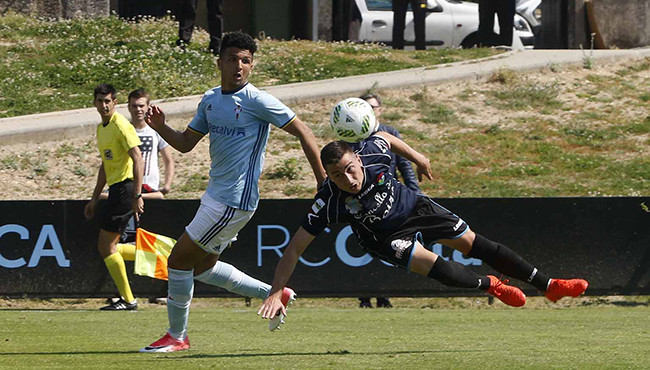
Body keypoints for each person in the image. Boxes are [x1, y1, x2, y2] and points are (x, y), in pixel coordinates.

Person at [258, 134, 589, 324]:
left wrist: (418, 157)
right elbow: (295, 248)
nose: (349, 180)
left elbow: (386, 137)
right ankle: (489, 285)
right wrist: (275, 290)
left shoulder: (372, 152)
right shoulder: (328, 201)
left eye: (349, 169)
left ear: (357, 159)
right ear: (328, 177)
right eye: (337, 176)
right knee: (442, 270)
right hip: (384, 238)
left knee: (477, 245)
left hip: (416, 207)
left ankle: (549, 286)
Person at [140, 31, 326, 353]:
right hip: (215, 197)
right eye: (233, 59)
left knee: (178, 260)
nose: (239, 65)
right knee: (201, 267)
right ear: (220, 62)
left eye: (246, 60)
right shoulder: (211, 100)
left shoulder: (257, 100)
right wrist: (161, 129)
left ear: (251, 66)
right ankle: (275, 292)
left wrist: (323, 183)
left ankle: (177, 336)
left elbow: (304, 132)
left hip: (233, 201)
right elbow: (185, 144)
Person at [356, 93, 421, 309]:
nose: (370, 111)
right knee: (366, 252)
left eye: (373, 107)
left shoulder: (389, 133)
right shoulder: (351, 135)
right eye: (365, 107)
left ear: (380, 110)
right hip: (362, 204)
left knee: (391, 249)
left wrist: (416, 196)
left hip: (389, 202)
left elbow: (405, 167)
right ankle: (364, 297)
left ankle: (384, 295)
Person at [84, 83, 145, 311]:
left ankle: (129, 300)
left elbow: (138, 158)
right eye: (100, 101)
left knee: (106, 245)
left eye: (108, 101)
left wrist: (137, 194)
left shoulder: (121, 125)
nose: (104, 105)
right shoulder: (102, 128)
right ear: (94, 103)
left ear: (115, 102)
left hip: (126, 188)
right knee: (108, 246)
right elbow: (105, 166)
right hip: (117, 189)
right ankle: (162, 257)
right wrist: (94, 198)